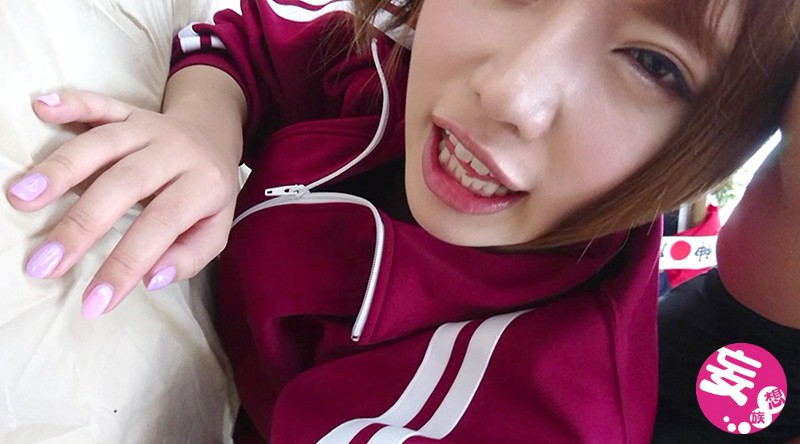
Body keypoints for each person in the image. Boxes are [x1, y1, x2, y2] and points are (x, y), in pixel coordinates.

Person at [5, 0, 800, 442]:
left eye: (654, 64)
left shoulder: (528, 406)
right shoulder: (398, 52)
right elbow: (241, 36)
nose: (510, 92)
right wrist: (204, 129)